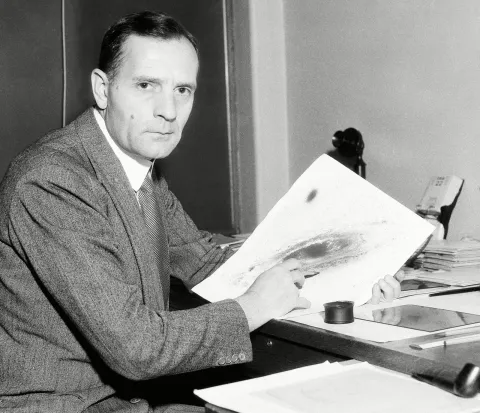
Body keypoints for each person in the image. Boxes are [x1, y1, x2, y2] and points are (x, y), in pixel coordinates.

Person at [0, 10, 403, 413]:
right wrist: (254, 306)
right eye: (146, 85)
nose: (169, 111)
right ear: (103, 90)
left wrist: (349, 285)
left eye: (183, 90)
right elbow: (135, 347)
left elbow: (212, 265)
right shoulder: (52, 180)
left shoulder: (143, 174)